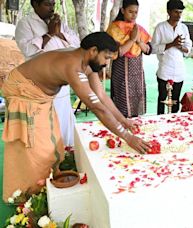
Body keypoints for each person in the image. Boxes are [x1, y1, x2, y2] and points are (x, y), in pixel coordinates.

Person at [2, 32, 150, 202]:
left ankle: (47, 182)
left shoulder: (88, 60)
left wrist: (123, 120)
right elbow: (96, 107)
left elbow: (100, 95)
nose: (107, 63)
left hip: (40, 96)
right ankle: (29, 195)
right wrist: (126, 136)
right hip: (24, 92)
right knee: (38, 148)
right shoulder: (73, 66)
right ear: (94, 51)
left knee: (53, 143)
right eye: (106, 57)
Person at [15, 0, 80, 147]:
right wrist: (50, 34)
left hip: (62, 80)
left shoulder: (59, 23)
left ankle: (66, 154)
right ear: (35, 4)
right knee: (44, 126)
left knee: (63, 119)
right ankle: (47, 159)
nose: (52, 8)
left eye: (53, 4)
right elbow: (28, 50)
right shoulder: (25, 24)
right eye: (47, 4)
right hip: (40, 83)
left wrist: (59, 33)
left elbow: (76, 44)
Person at [107, 0, 151, 118]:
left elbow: (148, 50)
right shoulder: (114, 28)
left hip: (137, 74)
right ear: (122, 10)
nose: (133, 15)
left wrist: (138, 41)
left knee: (136, 103)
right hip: (122, 74)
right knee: (122, 104)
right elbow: (118, 52)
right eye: (130, 11)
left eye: (136, 12)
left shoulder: (138, 29)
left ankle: (135, 127)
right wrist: (131, 39)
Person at [151, 0, 192, 114]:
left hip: (179, 71)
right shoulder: (160, 27)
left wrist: (180, 47)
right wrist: (171, 44)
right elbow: (153, 48)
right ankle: (159, 122)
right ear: (168, 12)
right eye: (175, 12)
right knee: (162, 100)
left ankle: (174, 127)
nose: (179, 15)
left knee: (175, 102)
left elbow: (188, 48)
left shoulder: (183, 28)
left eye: (180, 12)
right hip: (164, 70)